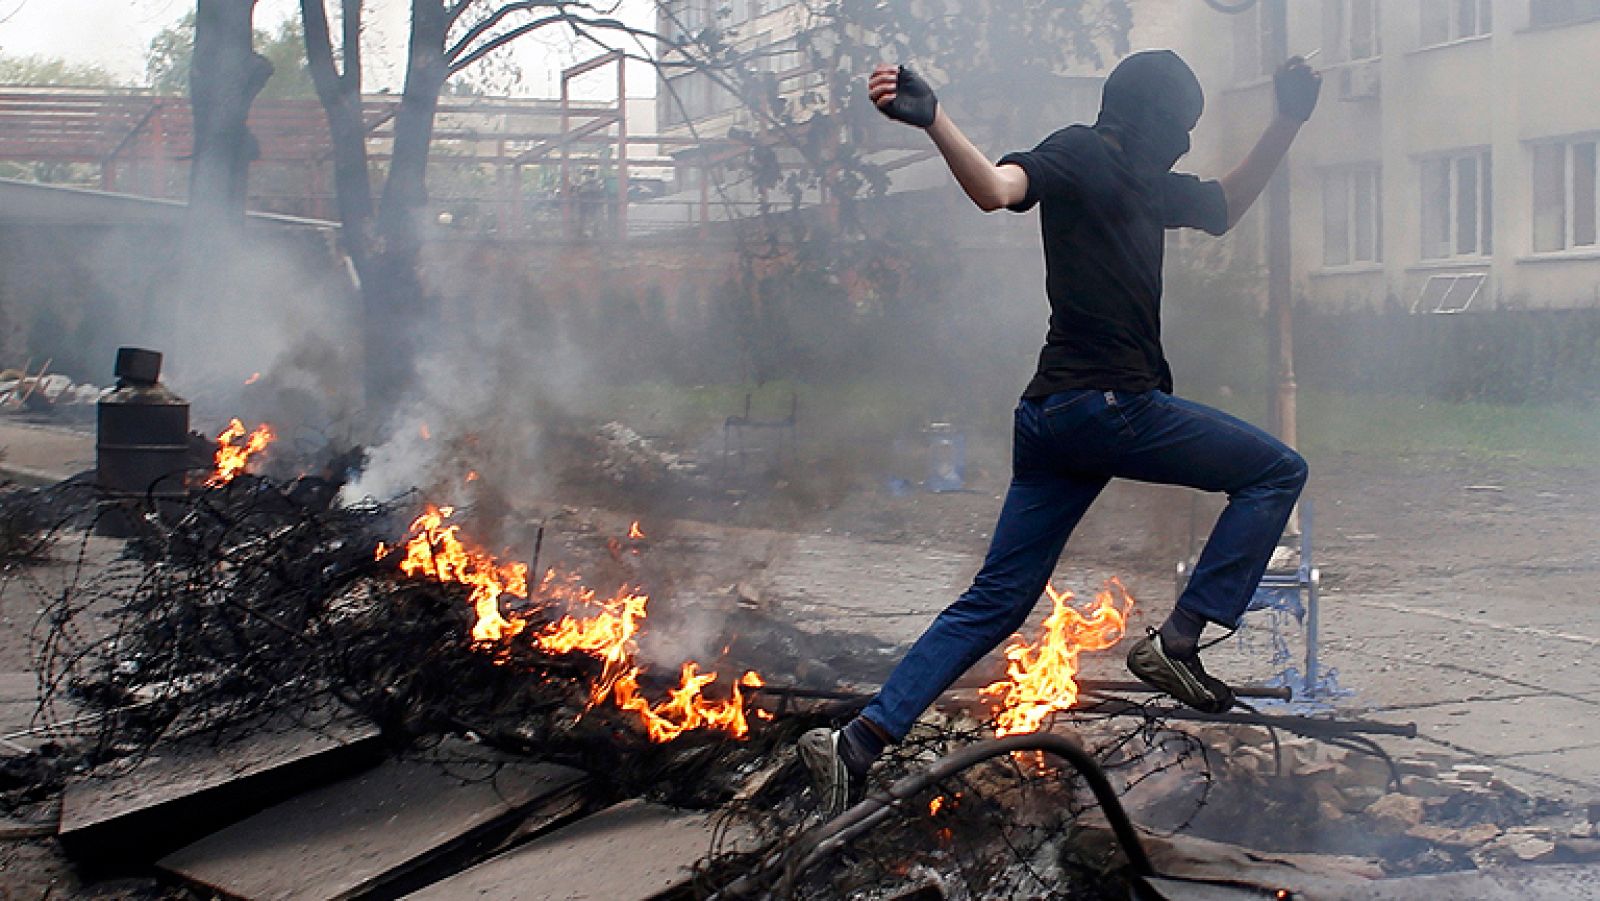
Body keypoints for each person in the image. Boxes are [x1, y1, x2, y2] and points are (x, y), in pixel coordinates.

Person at [800, 49, 1322, 818]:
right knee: (1277, 470)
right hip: (1109, 406)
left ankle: (857, 744)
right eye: (1177, 126)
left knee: (995, 600)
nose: (1182, 143)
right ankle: (1175, 643)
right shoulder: (1080, 151)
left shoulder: (1147, 184)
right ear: (1146, 117)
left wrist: (1287, 120)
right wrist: (935, 119)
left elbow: (1226, 203)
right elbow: (998, 188)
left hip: (1050, 419)